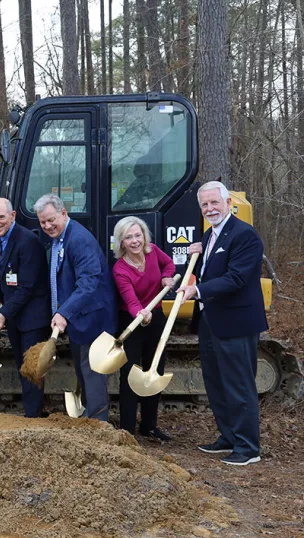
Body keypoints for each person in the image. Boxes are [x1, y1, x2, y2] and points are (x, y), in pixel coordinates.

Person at [179, 180, 267, 466]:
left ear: (229, 203)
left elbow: (237, 278)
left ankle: (248, 447)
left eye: (214, 202)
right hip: (211, 321)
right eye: (204, 204)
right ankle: (228, 436)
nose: (209, 208)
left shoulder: (245, 235)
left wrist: (197, 290)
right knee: (216, 383)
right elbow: (212, 267)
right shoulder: (210, 236)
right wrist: (199, 253)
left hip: (237, 322)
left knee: (239, 385)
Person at [34, 194, 115, 421]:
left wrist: (63, 312)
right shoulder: (61, 237)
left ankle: (99, 424)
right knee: (83, 370)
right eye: (43, 222)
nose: (48, 226)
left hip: (92, 318)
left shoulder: (79, 239)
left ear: (63, 213)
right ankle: (91, 418)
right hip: (79, 318)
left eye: (51, 220)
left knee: (92, 372)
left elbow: (88, 284)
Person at [111, 216, 176, 439]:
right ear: (121, 242)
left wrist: (167, 278)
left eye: (137, 235)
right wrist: (141, 314)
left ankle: (149, 426)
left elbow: (168, 265)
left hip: (156, 319)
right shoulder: (120, 269)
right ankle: (127, 430)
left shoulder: (153, 251)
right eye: (128, 237)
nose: (135, 241)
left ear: (144, 236)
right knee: (130, 375)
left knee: (154, 371)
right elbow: (130, 301)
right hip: (132, 322)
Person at [0, 198, 51, 418]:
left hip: (32, 317)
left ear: (12, 216)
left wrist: (4, 312)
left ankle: (33, 417)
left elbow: (28, 286)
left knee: (32, 368)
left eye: (0, 218)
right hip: (15, 314)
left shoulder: (27, 241)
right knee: (21, 366)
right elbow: (2, 273)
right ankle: (31, 412)